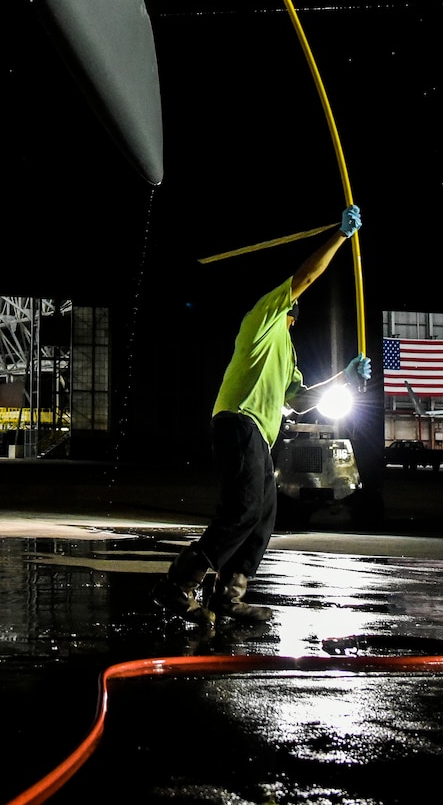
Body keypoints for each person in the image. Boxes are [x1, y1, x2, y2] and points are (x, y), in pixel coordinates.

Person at [153, 205, 362, 626]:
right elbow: (305, 277)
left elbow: (299, 400)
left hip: (259, 437)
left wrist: (345, 378)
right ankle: (177, 584)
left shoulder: (287, 351)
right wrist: (339, 237)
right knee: (244, 509)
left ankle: (228, 597)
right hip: (238, 422)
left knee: (263, 518)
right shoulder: (262, 318)